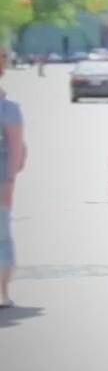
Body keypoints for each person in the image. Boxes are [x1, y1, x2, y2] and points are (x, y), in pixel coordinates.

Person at [0, 50, 21, 309]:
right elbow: (16, 151)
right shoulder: (7, 109)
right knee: (2, 238)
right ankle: (2, 293)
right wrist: (9, 182)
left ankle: (3, 292)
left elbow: (16, 151)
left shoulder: (8, 108)